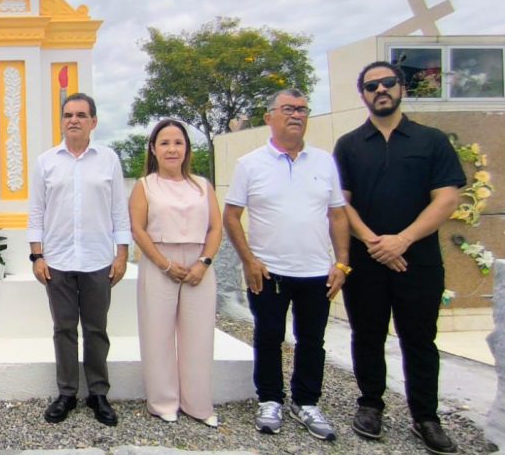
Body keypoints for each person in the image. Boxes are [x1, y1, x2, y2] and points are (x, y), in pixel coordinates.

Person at [334, 61, 464, 454]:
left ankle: (425, 416)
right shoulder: (350, 145)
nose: (380, 90)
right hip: (367, 258)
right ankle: (370, 405)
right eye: (371, 86)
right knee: (368, 334)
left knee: (420, 339)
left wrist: (402, 240)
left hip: (418, 260)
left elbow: (447, 198)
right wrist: (376, 242)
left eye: (387, 83)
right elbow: (340, 203)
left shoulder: (431, 141)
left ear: (401, 88)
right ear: (363, 95)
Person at [223, 89, 349, 441]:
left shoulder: (324, 162)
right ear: (270, 117)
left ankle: (306, 401)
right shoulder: (250, 163)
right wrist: (248, 260)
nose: (296, 115)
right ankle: (270, 399)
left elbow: (338, 215)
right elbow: (231, 215)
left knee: (312, 339)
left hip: (316, 271)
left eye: (303, 109)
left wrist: (342, 263)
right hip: (269, 270)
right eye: (289, 109)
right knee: (268, 335)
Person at [27, 92, 130, 427]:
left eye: (81, 115)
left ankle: (98, 393)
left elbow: (118, 210)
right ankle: (67, 393)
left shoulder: (108, 160)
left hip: (98, 260)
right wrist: (37, 256)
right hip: (57, 260)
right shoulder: (46, 161)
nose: (74, 120)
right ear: (61, 120)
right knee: (64, 329)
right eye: (68, 115)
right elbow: (36, 212)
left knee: (97, 329)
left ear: (94, 122)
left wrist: (122, 253)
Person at [129, 119, 222, 427]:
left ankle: (198, 403)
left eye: (178, 143)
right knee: (158, 334)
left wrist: (204, 262)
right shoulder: (145, 186)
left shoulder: (202, 185)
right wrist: (164, 264)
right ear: (154, 149)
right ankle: (163, 401)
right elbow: (138, 230)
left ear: (187, 148)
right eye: (165, 143)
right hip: (160, 261)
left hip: (198, 263)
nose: (172, 149)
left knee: (199, 335)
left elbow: (215, 227)